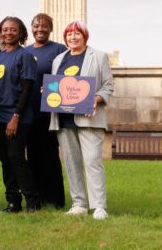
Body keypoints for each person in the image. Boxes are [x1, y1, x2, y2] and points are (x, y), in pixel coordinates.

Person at [49, 21, 113, 220]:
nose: (73, 37)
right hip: (64, 120)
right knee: (71, 162)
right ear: (65, 37)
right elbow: (56, 86)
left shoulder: (98, 56)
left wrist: (96, 99)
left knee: (93, 161)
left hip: (89, 119)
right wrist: (49, 91)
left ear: (85, 36)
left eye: (77, 34)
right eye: (69, 34)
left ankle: (99, 206)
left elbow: (108, 86)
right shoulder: (59, 59)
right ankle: (79, 204)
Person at [0, 16, 40, 213]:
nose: (8, 33)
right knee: (4, 158)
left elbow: (28, 89)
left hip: (17, 116)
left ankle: (32, 200)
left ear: (21, 33)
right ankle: (13, 201)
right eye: (5, 29)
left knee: (15, 156)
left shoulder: (25, 56)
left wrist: (16, 116)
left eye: (13, 30)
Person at [25, 13, 67, 209]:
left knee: (50, 156)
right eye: (36, 26)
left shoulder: (59, 50)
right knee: (32, 156)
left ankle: (55, 199)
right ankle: (37, 197)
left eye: (44, 26)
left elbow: (67, 77)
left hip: (48, 113)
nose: (39, 29)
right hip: (28, 112)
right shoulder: (25, 51)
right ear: (31, 28)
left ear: (51, 28)